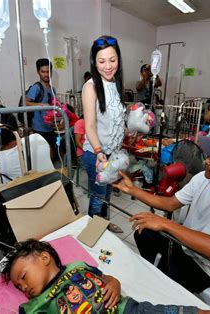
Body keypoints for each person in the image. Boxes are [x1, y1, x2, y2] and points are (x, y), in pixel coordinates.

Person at [113, 131, 210, 293]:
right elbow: (170, 204)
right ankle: (157, 272)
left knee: (163, 282)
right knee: (143, 231)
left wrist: (166, 224)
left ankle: (160, 282)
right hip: (185, 245)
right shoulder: (203, 178)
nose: (207, 160)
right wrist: (132, 190)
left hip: (206, 267)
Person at [1, 239, 210, 313]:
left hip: (128, 310)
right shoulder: (35, 305)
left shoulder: (76, 266)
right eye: (19, 287)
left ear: (44, 258)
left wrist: (114, 282)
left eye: (23, 276)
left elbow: (104, 277)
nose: (23, 287)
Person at [82, 35, 126, 233]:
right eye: (101, 61)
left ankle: (105, 225)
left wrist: (126, 130)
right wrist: (99, 151)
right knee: (98, 198)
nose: (108, 66)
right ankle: (93, 233)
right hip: (96, 155)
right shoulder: (90, 87)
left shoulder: (116, 83)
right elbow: (89, 126)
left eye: (112, 60)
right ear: (94, 62)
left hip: (113, 155)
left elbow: (114, 119)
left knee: (107, 194)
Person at [0, 108, 53, 183]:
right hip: (55, 190)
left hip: (24, 198)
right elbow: (51, 157)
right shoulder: (38, 138)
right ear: (15, 125)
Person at [26, 58, 57, 159]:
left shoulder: (52, 89)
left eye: (48, 71)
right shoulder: (36, 88)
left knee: (51, 154)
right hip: (39, 128)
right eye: (43, 72)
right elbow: (25, 103)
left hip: (50, 127)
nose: (46, 74)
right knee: (43, 155)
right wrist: (41, 105)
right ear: (38, 72)